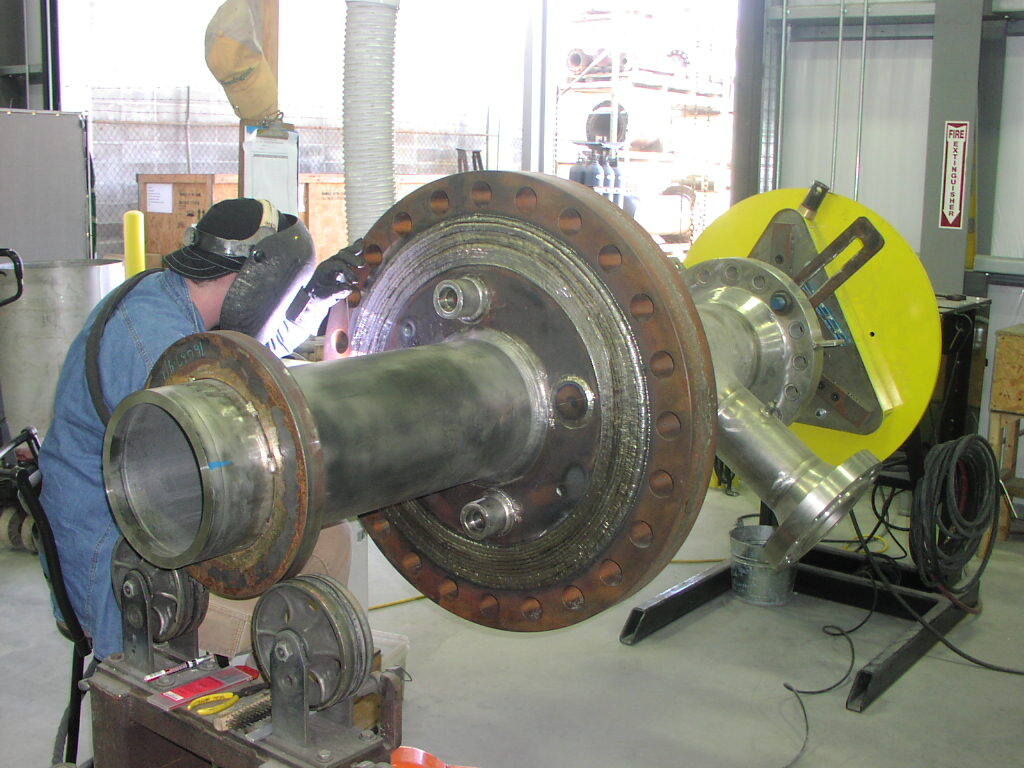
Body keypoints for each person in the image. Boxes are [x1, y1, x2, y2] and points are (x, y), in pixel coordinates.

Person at [39, 198, 364, 659]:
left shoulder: (174, 297)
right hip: (123, 545)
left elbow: (256, 347)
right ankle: (236, 696)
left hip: (162, 509)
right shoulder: (157, 342)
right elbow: (219, 471)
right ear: (256, 281)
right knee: (291, 580)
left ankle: (266, 688)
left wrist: (313, 298)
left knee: (330, 537)